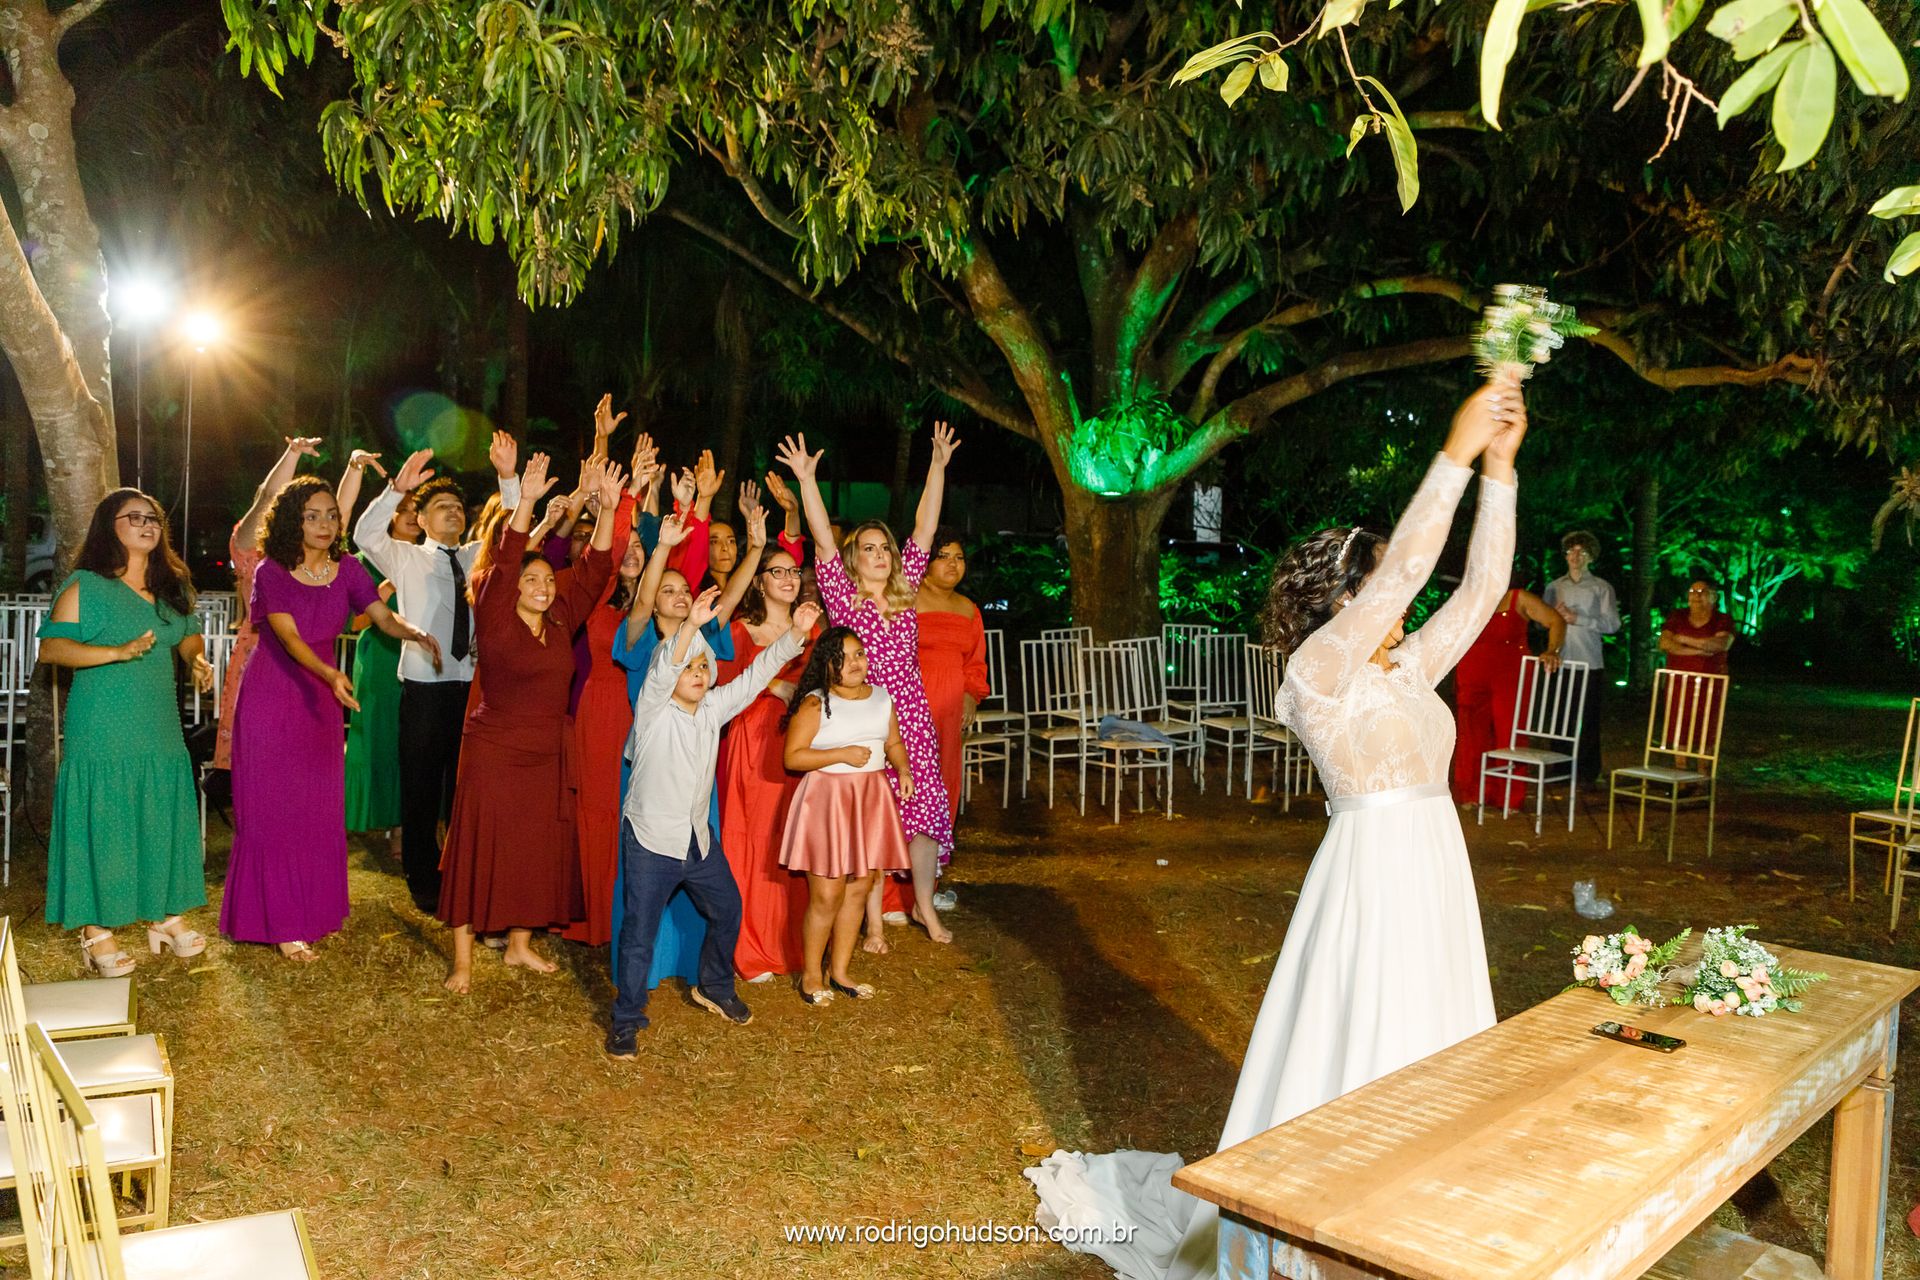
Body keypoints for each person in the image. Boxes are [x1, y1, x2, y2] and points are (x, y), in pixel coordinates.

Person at [1026, 376, 1527, 1280]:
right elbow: (1412, 566)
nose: (1400, 599)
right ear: (1341, 597)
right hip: (1371, 874)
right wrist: (1451, 452)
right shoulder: (1317, 671)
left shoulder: (1408, 665)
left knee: (1435, 1042)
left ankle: (1422, 1213)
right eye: (1376, 586)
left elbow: (1484, 582)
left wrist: (1501, 468)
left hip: (1436, 866)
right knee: (1366, 1041)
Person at [222, 477, 438, 960]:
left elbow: (382, 616)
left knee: (315, 809)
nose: (324, 524)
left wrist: (414, 630)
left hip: (320, 703)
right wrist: (329, 673)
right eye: (312, 515)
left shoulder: (347, 572)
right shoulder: (271, 572)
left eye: (331, 515)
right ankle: (277, 921)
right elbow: (289, 637)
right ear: (292, 521)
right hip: (274, 697)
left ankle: (311, 911)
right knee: (272, 810)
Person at [605, 587, 822, 1059]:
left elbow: (755, 675)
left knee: (727, 909)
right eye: (690, 667)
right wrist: (688, 629)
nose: (698, 673)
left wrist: (796, 636)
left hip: (697, 843)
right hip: (650, 841)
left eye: (704, 666)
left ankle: (715, 985)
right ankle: (627, 1018)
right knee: (639, 933)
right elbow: (662, 671)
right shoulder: (652, 711)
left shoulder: (713, 709)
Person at [438, 454, 623, 992]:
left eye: (548, 579)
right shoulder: (494, 613)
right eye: (533, 579)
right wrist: (526, 504)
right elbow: (507, 555)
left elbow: (596, 570)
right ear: (513, 585)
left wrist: (607, 510)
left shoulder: (563, 618)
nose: (543, 586)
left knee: (535, 846)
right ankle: (464, 960)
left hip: (547, 750)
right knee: (480, 845)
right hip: (494, 749)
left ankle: (519, 945)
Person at [775, 422, 959, 947]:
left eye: (886, 549)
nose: (880, 554)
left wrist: (938, 467)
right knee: (872, 820)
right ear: (856, 559)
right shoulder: (841, 593)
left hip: (912, 718)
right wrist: (808, 480)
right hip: (863, 717)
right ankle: (873, 921)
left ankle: (924, 906)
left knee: (921, 816)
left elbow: (925, 526)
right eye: (870, 548)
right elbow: (822, 535)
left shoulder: (904, 595)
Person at [38, 490, 216, 975]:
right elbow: (52, 649)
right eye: (132, 517)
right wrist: (115, 652)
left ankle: (163, 914)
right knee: (105, 819)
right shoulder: (86, 586)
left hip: (156, 724)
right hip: (102, 724)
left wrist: (197, 660)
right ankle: (95, 930)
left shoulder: (170, 586)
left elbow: (187, 636)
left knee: (158, 812)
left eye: (152, 518)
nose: (146, 524)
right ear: (107, 527)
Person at [352, 433, 521, 912]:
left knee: (463, 788)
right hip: (425, 690)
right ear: (421, 519)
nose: (453, 513)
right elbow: (364, 535)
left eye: (458, 507)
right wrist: (395, 492)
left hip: (471, 689)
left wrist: (508, 478)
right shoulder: (405, 556)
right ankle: (423, 879)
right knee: (423, 787)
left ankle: (462, 872)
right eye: (441, 506)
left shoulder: (474, 556)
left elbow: (510, 534)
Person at [608, 494, 767, 984]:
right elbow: (639, 603)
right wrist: (663, 552)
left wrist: (757, 547)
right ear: (653, 599)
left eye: (684, 590)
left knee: (702, 874)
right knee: (646, 888)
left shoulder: (703, 643)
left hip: (696, 780)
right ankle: (642, 977)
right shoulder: (640, 641)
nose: (678, 595)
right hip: (651, 776)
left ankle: (696, 972)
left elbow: (734, 597)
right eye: (668, 590)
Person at [780, 627, 913, 1003]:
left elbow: (893, 742)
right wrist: (839, 754)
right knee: (827, 892)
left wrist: (902, 769)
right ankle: (810, 977)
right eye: (844, 657)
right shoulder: (814, 703)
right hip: (827, 801)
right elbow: (792, 757)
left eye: (859, 654)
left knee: (860, 886)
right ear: (827, 665)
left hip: (870, 797)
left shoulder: (882, 697)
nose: (855, 663)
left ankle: (839, 971)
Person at [563, 423, 656, 950]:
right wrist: (625, 501)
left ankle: (637, 917)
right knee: (602, 809)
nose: (634, 552)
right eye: (629, 546)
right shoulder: (596, 596)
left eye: (641, 546)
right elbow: (609, 546)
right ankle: (598, 916)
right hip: (601, 709)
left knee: (638, 813)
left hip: (647, 711)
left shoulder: (660, 602)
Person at [716, 544, 816, 981]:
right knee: (754, 841)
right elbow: (720, 683)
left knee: (792, 840)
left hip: (803, 742)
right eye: (778, 572)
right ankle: (749, 945)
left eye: (794, 571)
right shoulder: (741, 629)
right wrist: (774, 684)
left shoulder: (813, 628)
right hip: (755, 740)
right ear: (758, 582)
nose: (789, 579)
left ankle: (788, 941)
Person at [344, 484, 422, 851]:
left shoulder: (427, 556)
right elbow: (353, 623)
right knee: (375, 736)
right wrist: (383, 598)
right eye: (402, 507)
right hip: (378, 658)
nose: (409, 514)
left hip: (420, 658)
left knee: (409, 739)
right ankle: (369, 815)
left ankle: (405, 826)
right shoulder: (364, 562)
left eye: (416, 508)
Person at [1450, 578, 1565, 807]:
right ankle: (1472, 793)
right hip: (1472, 672)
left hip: (1509, 674)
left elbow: (1556, 621)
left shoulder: (1518, 598)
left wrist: (1552, 650)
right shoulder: (1469, 598)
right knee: (1471, 733)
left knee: (1509, 732)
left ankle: (1509, 797)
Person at [915, 528, 991, 826]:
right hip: (914, 703)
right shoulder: (906, 599)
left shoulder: (969, 609)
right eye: (943, 556)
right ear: (927, 561)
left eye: (959, 557)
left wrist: (971, 695)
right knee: (910, 777)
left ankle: (933, 861)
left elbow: (976, 662)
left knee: (944, 777)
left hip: (951, 710)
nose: (952, 564)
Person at [1543, 530, 1619, 784]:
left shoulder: (1601, 587)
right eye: (1571, 551)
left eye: (1581, 552)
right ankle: (1559, 769)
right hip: (1561, 661)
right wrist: (1554, 616)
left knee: (1587, 719)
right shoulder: (1554, 587)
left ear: (1590, 557)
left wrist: (1578, 619)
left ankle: (1587, 773)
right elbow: (1543, 621)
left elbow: (1612, 624)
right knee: (1559, 715)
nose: (1575, 556)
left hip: (1589, 663)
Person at [1659, 579, 1735, 765]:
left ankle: (1703, 773)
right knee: (1679, 724)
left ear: (1714, 596)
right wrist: (1700, 650)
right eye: (1693, 590)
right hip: (1679, 680)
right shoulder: (1678, 616)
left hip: (1710, 681)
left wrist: (1683, 639)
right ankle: (1681, 771)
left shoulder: (1722, 619)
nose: (1696, 595)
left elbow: (1720, 644)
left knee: (1706, 723)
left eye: (1702, 591)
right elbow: (1665, 643)